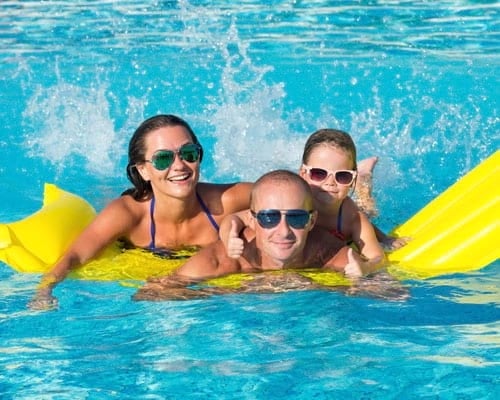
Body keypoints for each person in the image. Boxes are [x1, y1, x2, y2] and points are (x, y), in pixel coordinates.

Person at [29, 114, 253, 310]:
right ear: (143, 170)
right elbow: (75, 255)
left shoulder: (230, 200)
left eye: (188, 153)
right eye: (163, 158)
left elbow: (283, 191)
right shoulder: (129, 214)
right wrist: (44, 290)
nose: (179, 165)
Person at [133, 169, 372, 301]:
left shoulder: (329, 253)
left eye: (296, 218)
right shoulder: (223, 259)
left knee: (364, 211)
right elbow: (150, 294)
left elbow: (395, 294)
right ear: (253, 220)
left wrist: (315, 286)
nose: (284, 231)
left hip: (344, 218)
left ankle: (363, 182)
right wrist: (242, 289)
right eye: (269, 218)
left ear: (312, 221)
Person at [220, 129, 403, 278]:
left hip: (349, 213)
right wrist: (230, 238)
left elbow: (377, 257)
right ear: (303, 173)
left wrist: (369, 263)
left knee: (367, 208)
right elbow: (234, 218)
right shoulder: (291, 203)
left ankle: (363, 177)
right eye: (319, 174)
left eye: (343, 176)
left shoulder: (351, 218)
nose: (330, 183)